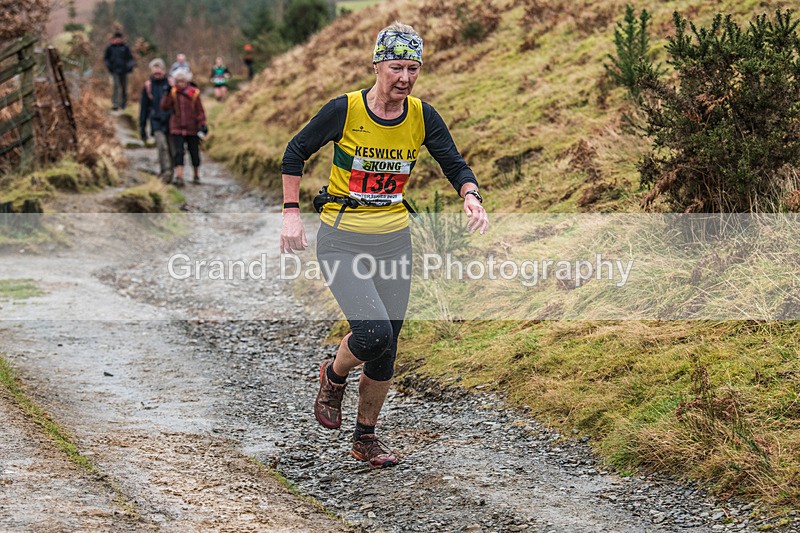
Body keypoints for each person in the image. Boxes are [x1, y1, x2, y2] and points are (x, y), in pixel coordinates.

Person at [279, 22, 489, 469]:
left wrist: (471, 196)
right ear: (377, 65)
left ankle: (365, 438)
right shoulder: (345, 110)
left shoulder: (421, 116)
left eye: (414, 68)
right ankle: (333, 375)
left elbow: (454, 162)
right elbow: (294, 152)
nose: (406, 78)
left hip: (393, 241)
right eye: (397, 67)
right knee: (372, 333)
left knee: (387, 345)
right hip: (341, 239)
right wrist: (291, 211)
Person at [160, 68, 207, 187]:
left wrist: (202, 124)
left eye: (182, 80)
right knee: (179, 152)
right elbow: (164, 106)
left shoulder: (194, 92)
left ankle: (196, 175)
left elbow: (200, 110)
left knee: (194, 152)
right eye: (178, 80)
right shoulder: (173, 92)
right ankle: (179, 176)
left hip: (192, 127)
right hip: (177, 127)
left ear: (187, 80)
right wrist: (166, 93)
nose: (180, 83)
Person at [139, 58, 173, 183]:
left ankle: (171, 172)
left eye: (159, 68)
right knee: (162, 147)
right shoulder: (148, 86)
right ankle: (165, 173)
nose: (157, 71)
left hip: (171, 121)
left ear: (164, 70)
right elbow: (143, 108)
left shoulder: (170, 84)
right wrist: (142, 127)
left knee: (172, 149)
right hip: (156, 121)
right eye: (155, 68)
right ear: (151, 70)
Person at [103, 31, 135, 110]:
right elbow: (106, 59)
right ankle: (115, 103)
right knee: (116, 86)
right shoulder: (110, 48)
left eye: (119, 39)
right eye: (116, 39)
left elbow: (130, 59)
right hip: (114, 70)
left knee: (124, 87)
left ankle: (123, 103)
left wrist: (129, 66)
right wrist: (109, 66)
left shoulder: (125, 48)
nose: (118, 40)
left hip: (124, 70)